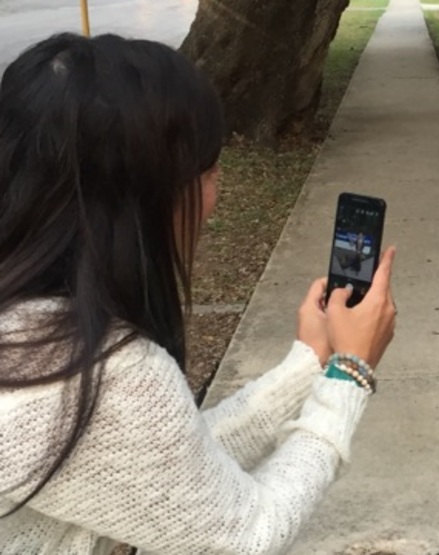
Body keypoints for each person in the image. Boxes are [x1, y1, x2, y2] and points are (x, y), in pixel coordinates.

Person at [0, 33, 397, 554]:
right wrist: (349, 374)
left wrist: (310, 363)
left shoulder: (28, 329)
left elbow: (171, 469)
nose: (218, 193)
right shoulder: (100, 375)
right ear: (139, 198)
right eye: (209, 171)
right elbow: (248, 532)